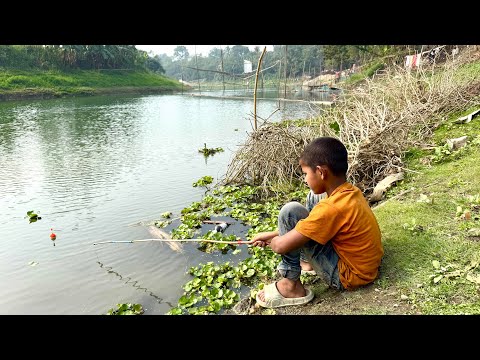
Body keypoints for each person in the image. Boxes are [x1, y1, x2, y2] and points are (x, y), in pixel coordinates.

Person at [251, 137, 384, 308]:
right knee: (314, 196)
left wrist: (272, 241)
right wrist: (271, 234)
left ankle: (291, 286)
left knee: (289, 211)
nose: (305, 179)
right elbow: (313, 225)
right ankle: (306, 263)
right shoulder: (350, 192)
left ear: (321, 172)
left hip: (350, 276)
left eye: (306, 174)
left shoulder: (330, 209)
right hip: (366, 267)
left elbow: (280, 247)